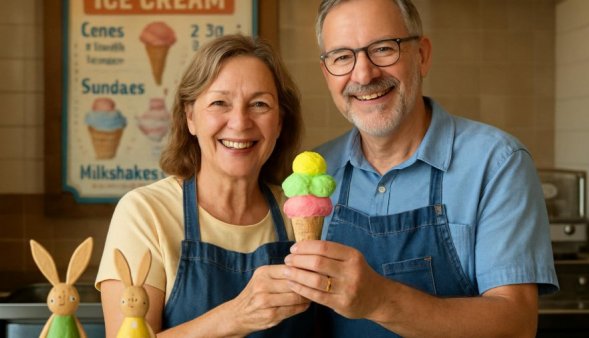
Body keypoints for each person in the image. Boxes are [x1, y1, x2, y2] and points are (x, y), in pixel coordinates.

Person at [282, 0, 560, 337]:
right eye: (342, 57)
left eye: (384, 49)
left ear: (422, 55)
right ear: (327, 74)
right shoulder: (318, 174)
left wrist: (381, 300)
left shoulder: (497, 162)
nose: (364, 74)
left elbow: (517, 325)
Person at [95, 34, 314, 337]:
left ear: (279, 122)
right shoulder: (145, 214)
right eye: (219, 103)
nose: (239, 122)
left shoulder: (299, 214)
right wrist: (236, 316)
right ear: (190, 117)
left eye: (260, 104)